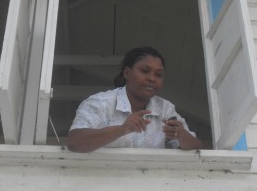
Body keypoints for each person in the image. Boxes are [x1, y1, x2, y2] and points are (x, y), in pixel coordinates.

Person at [67, 46, 203, 152]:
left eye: (159, 74)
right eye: (145, 71)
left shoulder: (165, 109)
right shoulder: (100, 103)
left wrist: (182, 135)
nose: (152, 78)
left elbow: (198, 149)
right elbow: (75, 142)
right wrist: (121, 129)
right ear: (127, 73)